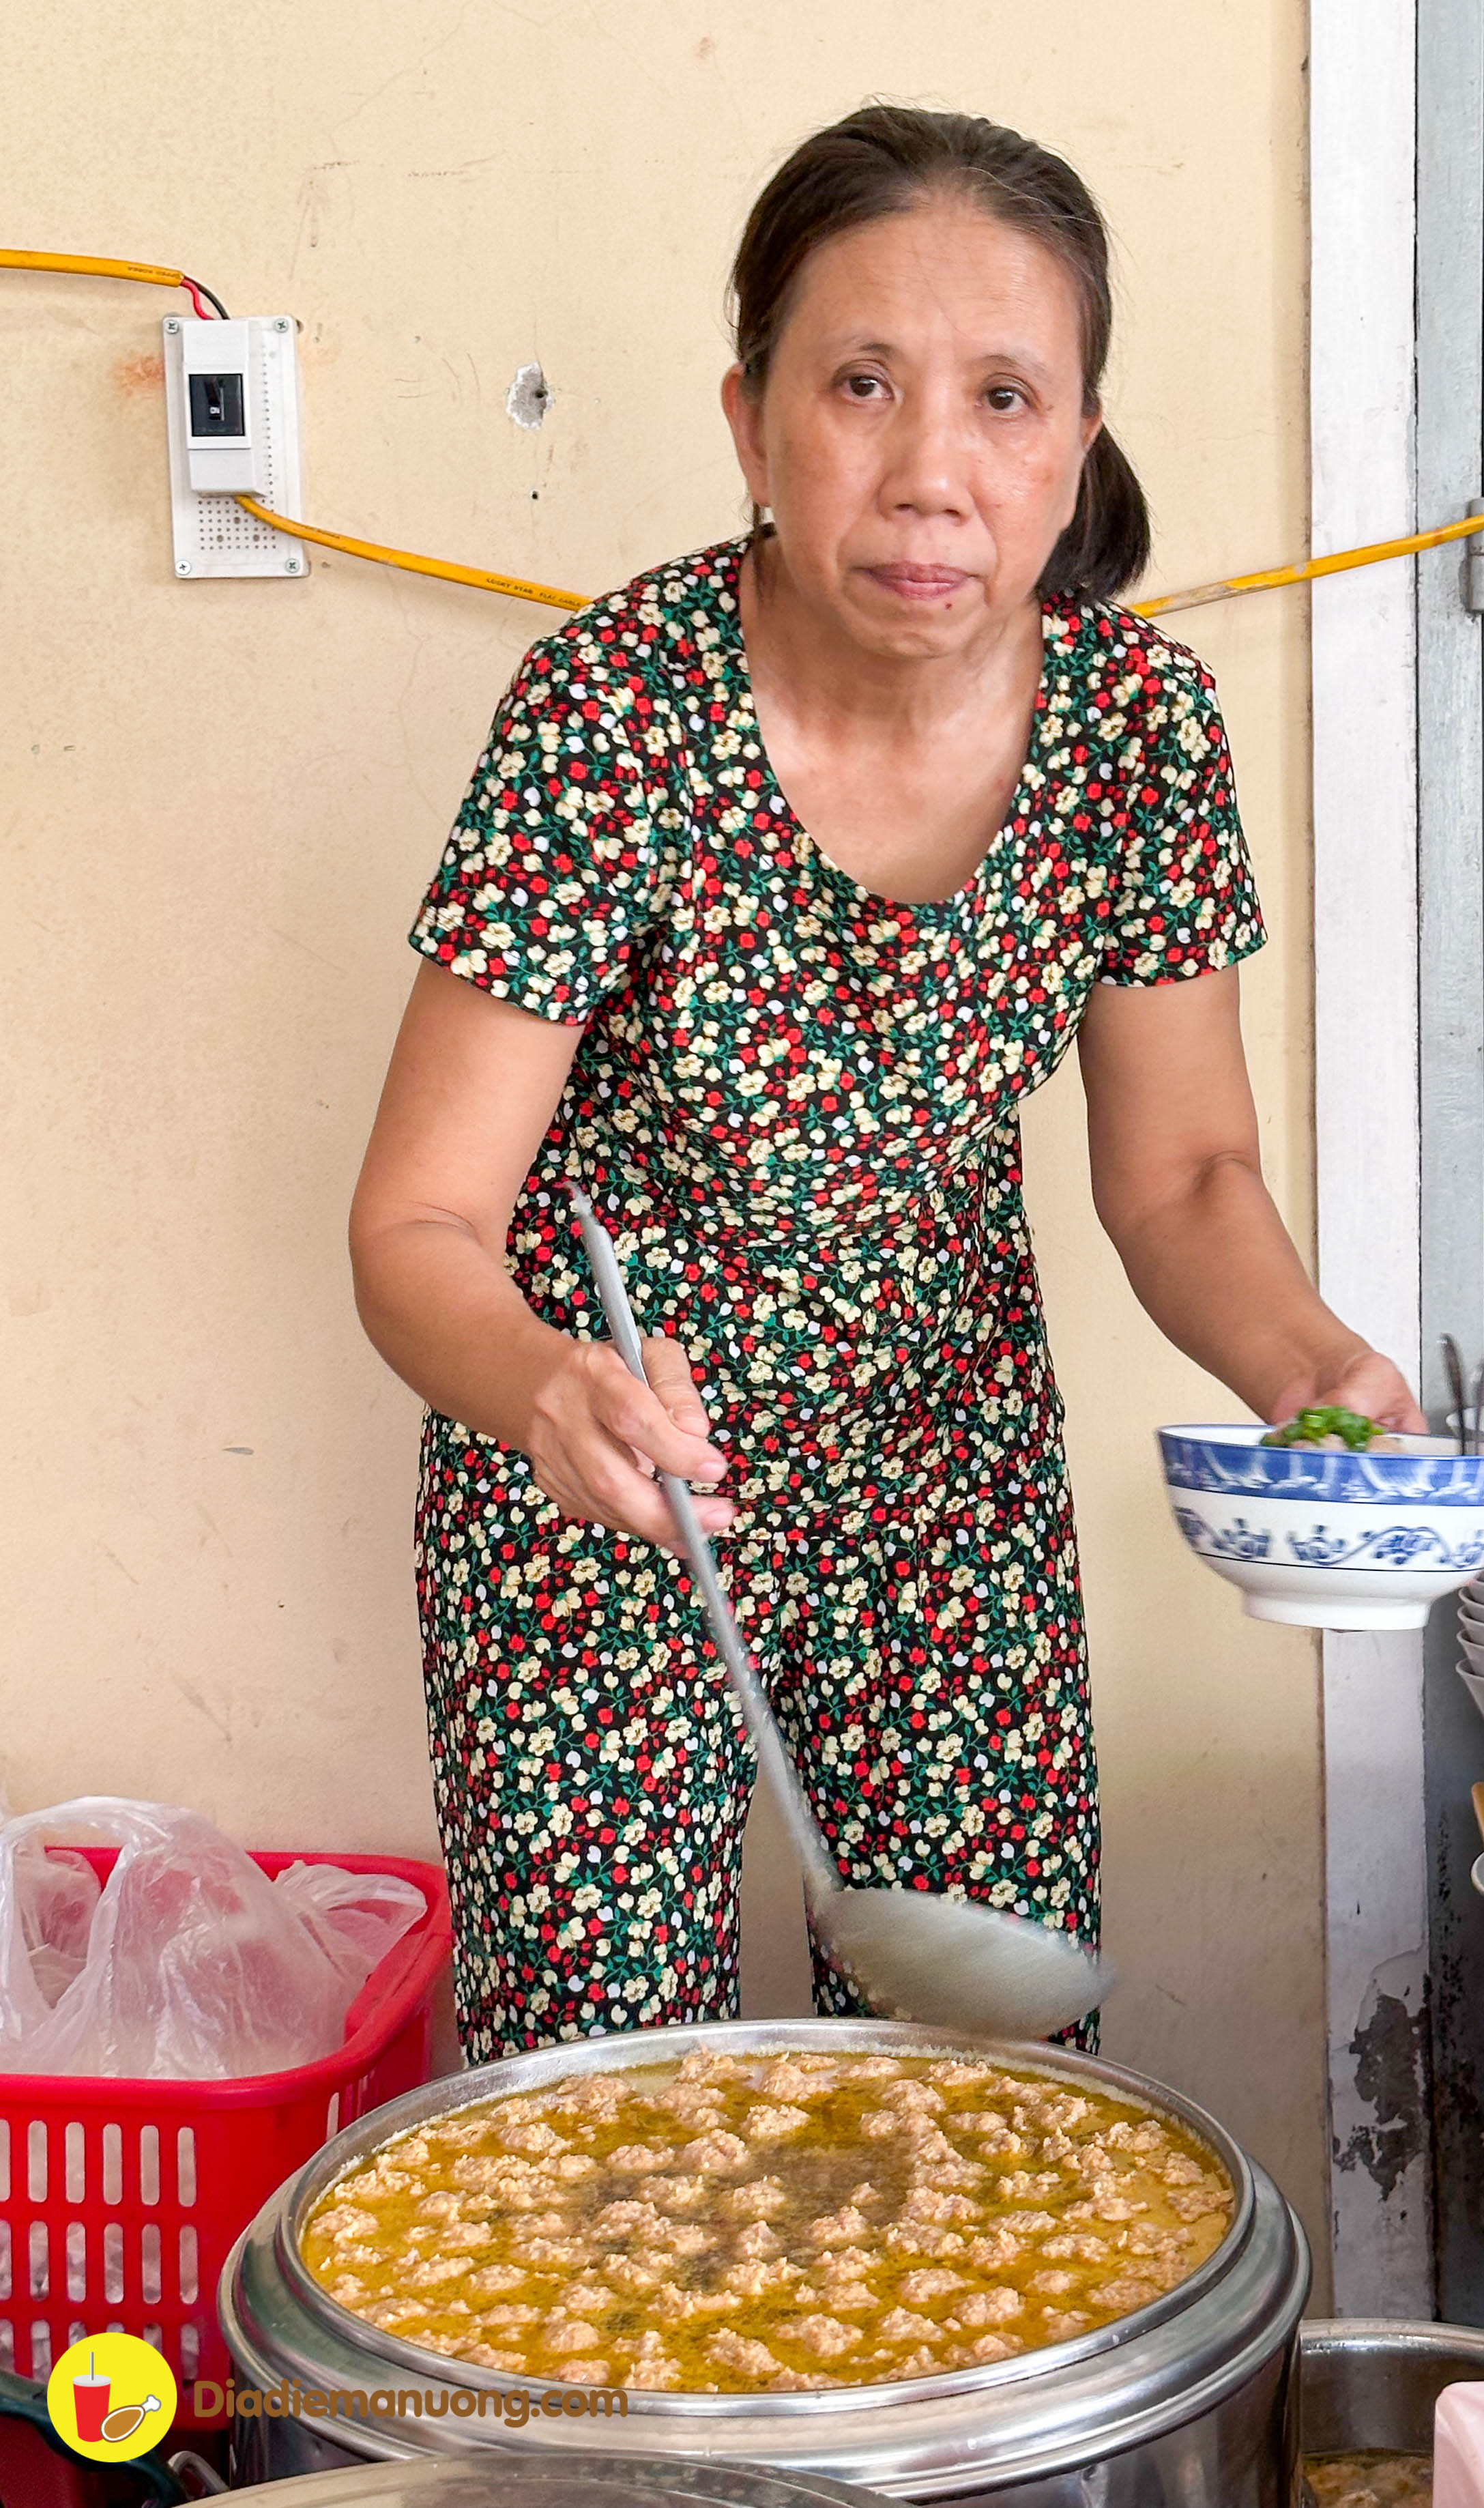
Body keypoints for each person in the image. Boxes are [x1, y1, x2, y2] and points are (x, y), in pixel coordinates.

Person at [349, 103, 1421, 2064]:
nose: (932, 470)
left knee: (983, 2093)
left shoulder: (1138, 731)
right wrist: (545, 1384)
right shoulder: (611, 711)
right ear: (752, 424)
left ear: (1075, 445)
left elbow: (1183, 1174)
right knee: (606, 2097)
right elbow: (418, 1225)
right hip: (608, 1487)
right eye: (861, 385)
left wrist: (1315, 1372)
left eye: (1004, 397)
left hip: (948, 1487)